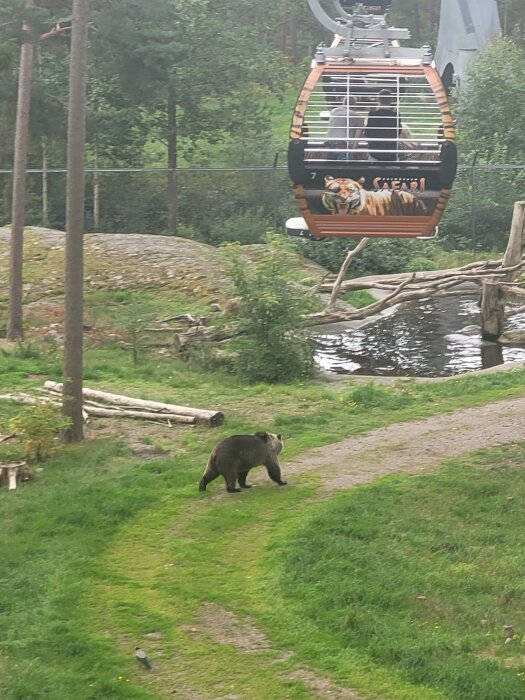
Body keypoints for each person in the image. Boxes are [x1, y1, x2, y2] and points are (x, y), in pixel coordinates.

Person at [363, 88, 401, 162]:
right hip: (391, 154)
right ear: (391, 100)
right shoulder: (396, 116)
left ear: (378, 100)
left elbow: (367, 133)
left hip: (375, 153)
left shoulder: (372, 115)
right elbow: (398, 132)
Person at [325, 95, 365, 161]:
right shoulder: (358, 118)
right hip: (343, 146)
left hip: (329, 144)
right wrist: (353, 152)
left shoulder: (334, 111)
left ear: (343, 103)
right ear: (355, 105)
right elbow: (357, 139)